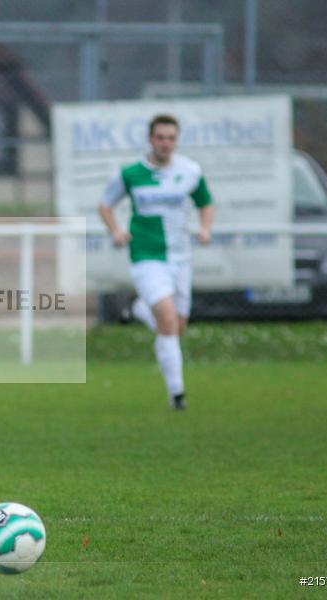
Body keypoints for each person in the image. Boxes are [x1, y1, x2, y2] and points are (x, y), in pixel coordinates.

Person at [98, 114, 214, 410]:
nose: (165, 143)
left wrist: (205, 228)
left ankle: (140, 309)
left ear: (177, 140)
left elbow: (205, 202)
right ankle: (177, 395)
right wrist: (116, 231)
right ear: (151, 139)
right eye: (160, 138)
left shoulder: (189, 171)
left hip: (180, 257)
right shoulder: (132, 174)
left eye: (171, 138)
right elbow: (105, 204)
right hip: (146, 256)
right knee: (167, 320)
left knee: (177, 327)